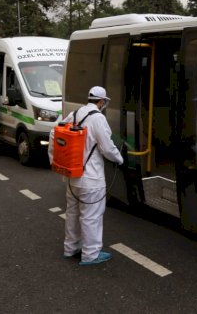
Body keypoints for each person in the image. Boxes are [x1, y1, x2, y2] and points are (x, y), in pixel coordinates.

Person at [48, 86, 124, 266]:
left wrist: (53, 159)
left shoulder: (75, 114)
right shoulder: (98, 118)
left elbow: (54, 133)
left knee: (73, 213)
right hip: (92, 179)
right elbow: (107, 147)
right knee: (92, 216)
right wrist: (119, 159)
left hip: (72, 175)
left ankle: (70, 248)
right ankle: (91, 254)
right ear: (101, 102)